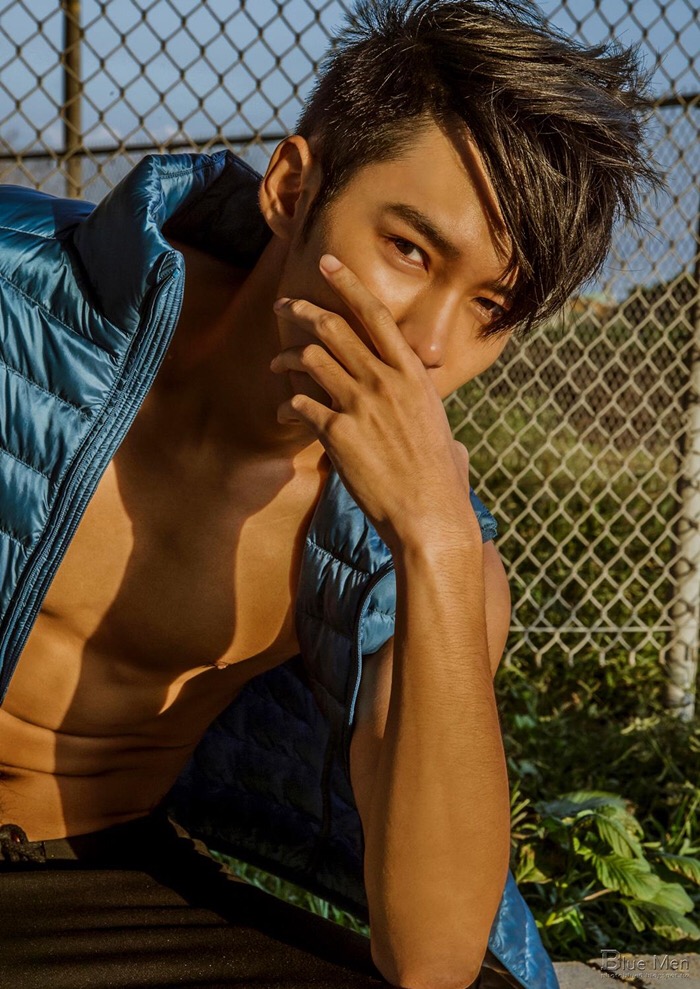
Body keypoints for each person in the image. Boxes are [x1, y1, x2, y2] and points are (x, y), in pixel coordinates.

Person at [0, 0, 657, 986]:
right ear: (291, 189)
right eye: (409, 251)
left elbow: (433, 957)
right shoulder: (23, 308)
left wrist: (435, 541)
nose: (427, 343)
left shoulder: (416, 543)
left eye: (490, 306)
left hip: (90, 870)